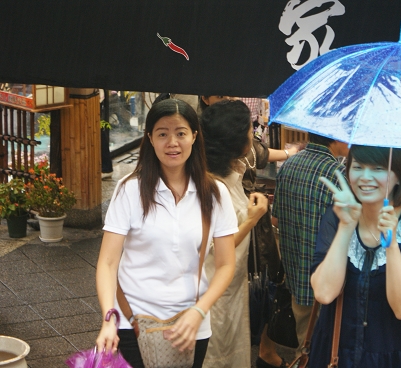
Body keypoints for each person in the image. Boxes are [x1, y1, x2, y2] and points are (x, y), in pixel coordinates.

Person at [95, 99, 238, 368]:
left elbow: (226, 264)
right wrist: (108, 318)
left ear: (194, 136)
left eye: (181, 133)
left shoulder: (216, 194)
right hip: (130, 318)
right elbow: (107, 262)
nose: (172, 142)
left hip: (191, 321)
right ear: (150, 138)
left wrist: (199, 310)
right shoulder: (129, 190)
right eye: (162, 134)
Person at [310, 145, 401, 367]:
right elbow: (324, 293)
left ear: (399, 176)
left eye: (378, 168)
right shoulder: (337, 217)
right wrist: (346, 227)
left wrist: (391, 245)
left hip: (397, 355)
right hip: (338, 354)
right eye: (358, 167)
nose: (365, 177)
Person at [199, 99, 270, 367]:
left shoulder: (229, 173)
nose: (253, 134)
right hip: (214, 289)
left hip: (232, 285)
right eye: (250, 131)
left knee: (231, 347)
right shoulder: (213, 187)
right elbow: (219, 247)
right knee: (217, 354)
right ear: (234, 141)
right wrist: (252, 220)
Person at [271, 134, 349, 352]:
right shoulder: (339, 175)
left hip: (295, 275)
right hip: (326, 279)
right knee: (324, 349)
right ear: (336, 137)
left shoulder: (290, 163)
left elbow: (276, 217)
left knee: (305, 345)